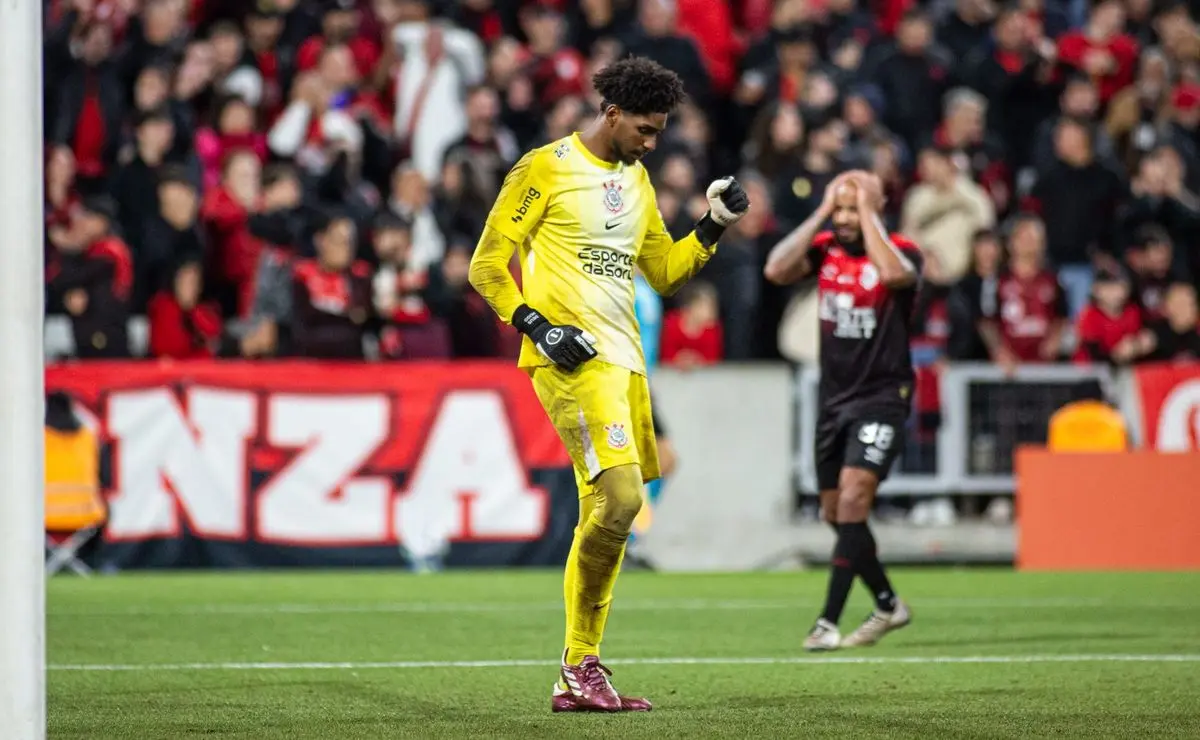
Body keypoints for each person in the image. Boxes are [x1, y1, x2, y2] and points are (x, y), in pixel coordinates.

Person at [468, 56, 749, 712]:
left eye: (660, 133)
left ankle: (578, 671)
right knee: (621, 500)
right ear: (612, 113)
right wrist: (537, 326)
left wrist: (712, 225)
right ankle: (579, 660)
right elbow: (487, 265)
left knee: (611, 508)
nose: (652, 143)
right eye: (645, 130)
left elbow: (666, 272)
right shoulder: (545, 168)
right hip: (570, 361)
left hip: (626, 367)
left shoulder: (639, 181)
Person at [763, 170, 920, 651]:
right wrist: (820, 213)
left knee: (853, 499)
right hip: (834, 401)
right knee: (836, 513)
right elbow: (776, 269)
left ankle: (827, 622)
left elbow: (896, 276)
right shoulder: (826, 247)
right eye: (843, 208)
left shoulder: (902, 251)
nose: (847, 218)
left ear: (877, 207)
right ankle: (889, 604)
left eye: (856, 208)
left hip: (882, 396)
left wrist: (867, 213)